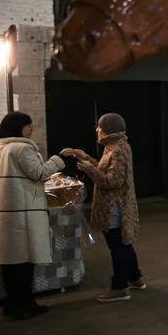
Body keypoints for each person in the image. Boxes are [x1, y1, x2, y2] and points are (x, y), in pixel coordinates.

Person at [62, 113, 143, 303]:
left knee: (117, 246)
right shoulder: (113, 147)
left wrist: (88, 169)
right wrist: (82, 156)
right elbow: (103, 168)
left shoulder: (118, 150)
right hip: (116, 205)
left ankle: (120, 287)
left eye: (100, 126)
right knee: (124, 243)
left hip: (116, 207)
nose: (97, 130)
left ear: (108, 128)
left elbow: (112, 181)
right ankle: (135, 278)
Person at [0, 112, 65, 320]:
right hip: (23, 213)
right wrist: (57, 160)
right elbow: (38, 173)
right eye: (28, 125)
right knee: (26, 262)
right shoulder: (21, 148)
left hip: (6, 212)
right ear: (19, 128)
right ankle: (26, 303)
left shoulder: (1, 148)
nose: (31, 129)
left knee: (10, 261)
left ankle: (12, 304)